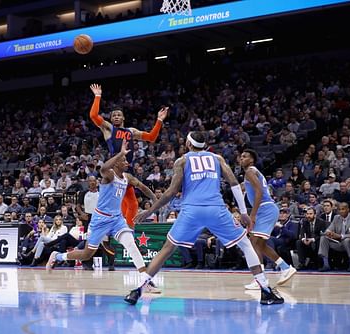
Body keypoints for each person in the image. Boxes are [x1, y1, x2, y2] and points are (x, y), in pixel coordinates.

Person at [124, 132, 283, 305]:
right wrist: (243, 212)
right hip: (216, 209)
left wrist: (149, 211)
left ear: (187, 143)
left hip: (191, 210)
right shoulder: (217, 158)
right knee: (245, 244)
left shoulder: (182, 161)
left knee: (167, 248)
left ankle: (138, 290)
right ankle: (266, 290)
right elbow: (234, 183)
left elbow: (170, 193)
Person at [47, 140, 160, 293]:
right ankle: (57, 256)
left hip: (117, 219)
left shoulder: (127, 177)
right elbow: (104, 168)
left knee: (131, 244)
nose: (126, 162)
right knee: (87, 254)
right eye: (123, 160)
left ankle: (145, 281)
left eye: (126, 159)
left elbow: (142, 187)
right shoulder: (109, 176)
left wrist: (154, 199)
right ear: (116, 163)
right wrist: (120, 153)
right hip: (100, 220)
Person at [88, 83, 168, 228]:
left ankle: (127, 230)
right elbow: (93, 115)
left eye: (119, 115)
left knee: (131, 203)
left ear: (123, 117)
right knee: (122, 203)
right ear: (111, 119)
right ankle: (122, 230)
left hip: (128, 169)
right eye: (114, 115)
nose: (116, 117)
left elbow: (151, 137)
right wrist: (97, 96)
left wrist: (159, 120)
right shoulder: (108, 129)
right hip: (115, 168)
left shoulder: (131, 131)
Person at [240, 149, 296, 290]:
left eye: (245, 156)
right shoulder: (253, 172)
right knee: (260, 245)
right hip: (267, 209)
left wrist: (252, 215)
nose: (241, 158)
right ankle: (285, 268)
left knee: (253, 242)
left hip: (265, 209)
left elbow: (259, 191)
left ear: (252, 160)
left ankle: (260, 279)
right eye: (240, 156)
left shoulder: (250, 171)